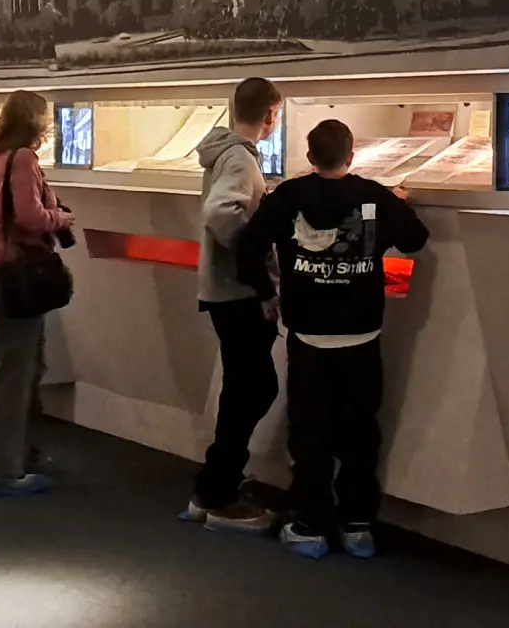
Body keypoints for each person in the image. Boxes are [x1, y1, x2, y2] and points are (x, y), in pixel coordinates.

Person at [236, 118, 429, 560]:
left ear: (309, 156)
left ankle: (309, 526)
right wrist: (395, 209)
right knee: (360, 432)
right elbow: (415, 239)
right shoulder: (373, 196)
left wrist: (267, 293)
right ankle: (357, 526)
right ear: (351, 155)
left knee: (309, 433)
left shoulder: (287, 197)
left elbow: (248, 249)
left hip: (308, 335)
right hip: (362, 335)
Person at [181, 76, 284, 532]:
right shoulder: (241, 158)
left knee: (243, 388)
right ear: (271, 115)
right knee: (255, 389)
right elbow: (222, 212)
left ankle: (214, 484)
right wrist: (254, 254)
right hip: (239, 293)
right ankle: (217, 493)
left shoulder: (223, 153)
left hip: (225, 290)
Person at [0, 90, 75, 497]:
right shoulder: (24, 159)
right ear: (34, 120)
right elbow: (29, 216)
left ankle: (17, 456)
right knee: (12, 374)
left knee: (23, 366)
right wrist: (59, 217)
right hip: (18, 272)